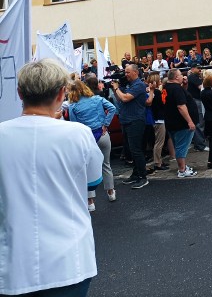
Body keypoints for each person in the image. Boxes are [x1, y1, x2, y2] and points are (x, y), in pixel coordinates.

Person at [0, 59, 103, 297]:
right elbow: (93, 179)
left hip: (13, 262)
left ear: (19, 93)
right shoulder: (79, 134)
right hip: (70, 260)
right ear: (61, 93)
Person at [67, 79, 117, 211]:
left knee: (86, 168)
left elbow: (75, 125)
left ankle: (90, 202)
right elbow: (112, 108)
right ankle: (111, 192)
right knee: (106, 164)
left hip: (86, 138)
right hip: (102, 134)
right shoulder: (97, 99)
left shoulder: (73, 106)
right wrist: (105, 124)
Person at [112, 64, 149, 189]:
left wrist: (117, 89)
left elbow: (126, 98)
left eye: (128, 72)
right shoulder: (128, 85)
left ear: (135, 72)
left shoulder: (139, 85)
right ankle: (135, 173)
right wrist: (115, 90)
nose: (125, 74)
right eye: (125, 72)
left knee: (136, 150)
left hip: (135, 120)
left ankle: (143, 177)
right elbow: (120, 100)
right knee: (130, 150)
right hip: (126, 120)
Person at [163, 69, 198, 177]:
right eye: (180, 75)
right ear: (176, 77)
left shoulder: (166, 88)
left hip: (171, 122)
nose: (183, 77)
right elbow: (181, 106)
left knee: (178, 145)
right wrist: (190, 121)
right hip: (181, 124)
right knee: (182, 147)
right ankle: (182, 169)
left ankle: (182, 166)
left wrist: (185, 85)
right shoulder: (176, 89)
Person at [145, 74, 170, 172]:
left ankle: (158, 161)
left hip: (155, 118)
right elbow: (162, 104)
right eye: (158, 80)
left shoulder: (151, 92)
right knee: (159, 142)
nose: (160, 81)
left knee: (158, 141)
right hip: (158, 119)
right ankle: (158, 162)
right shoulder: (156, 92)